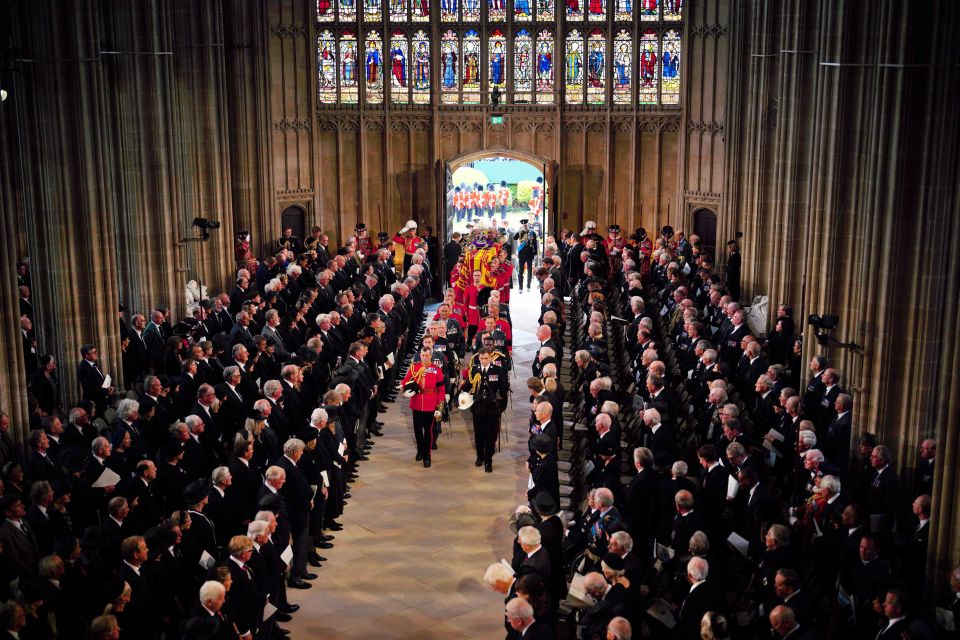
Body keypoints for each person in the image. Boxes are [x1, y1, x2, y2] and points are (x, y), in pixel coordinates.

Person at [460, 347, 510, 472]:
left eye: (486, 358)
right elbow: (468, 385)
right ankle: (479, 456)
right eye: (481, 358)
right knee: (478, 434)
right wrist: (460, 392)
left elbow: (504, 389)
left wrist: (502, 405)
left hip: (492, 408)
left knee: (490, 434)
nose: (483, 361)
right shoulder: (474, 370)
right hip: (478, 407)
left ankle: (488, 460)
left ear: (490, 358)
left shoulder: (497, 370)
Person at [400, 346, 445, 467]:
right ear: (420, 355)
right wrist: (411, 385)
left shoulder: (437, 370)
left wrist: (440, 405)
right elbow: (404, 382)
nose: (425, 358)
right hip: (417, 403)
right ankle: (420, 450)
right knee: (417, 430)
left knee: (428, 431)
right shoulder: (414, 367)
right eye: (423, 355)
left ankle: (427, 455)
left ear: (431, 356)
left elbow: (441, 389)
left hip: (431, 403)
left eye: (427, 355)